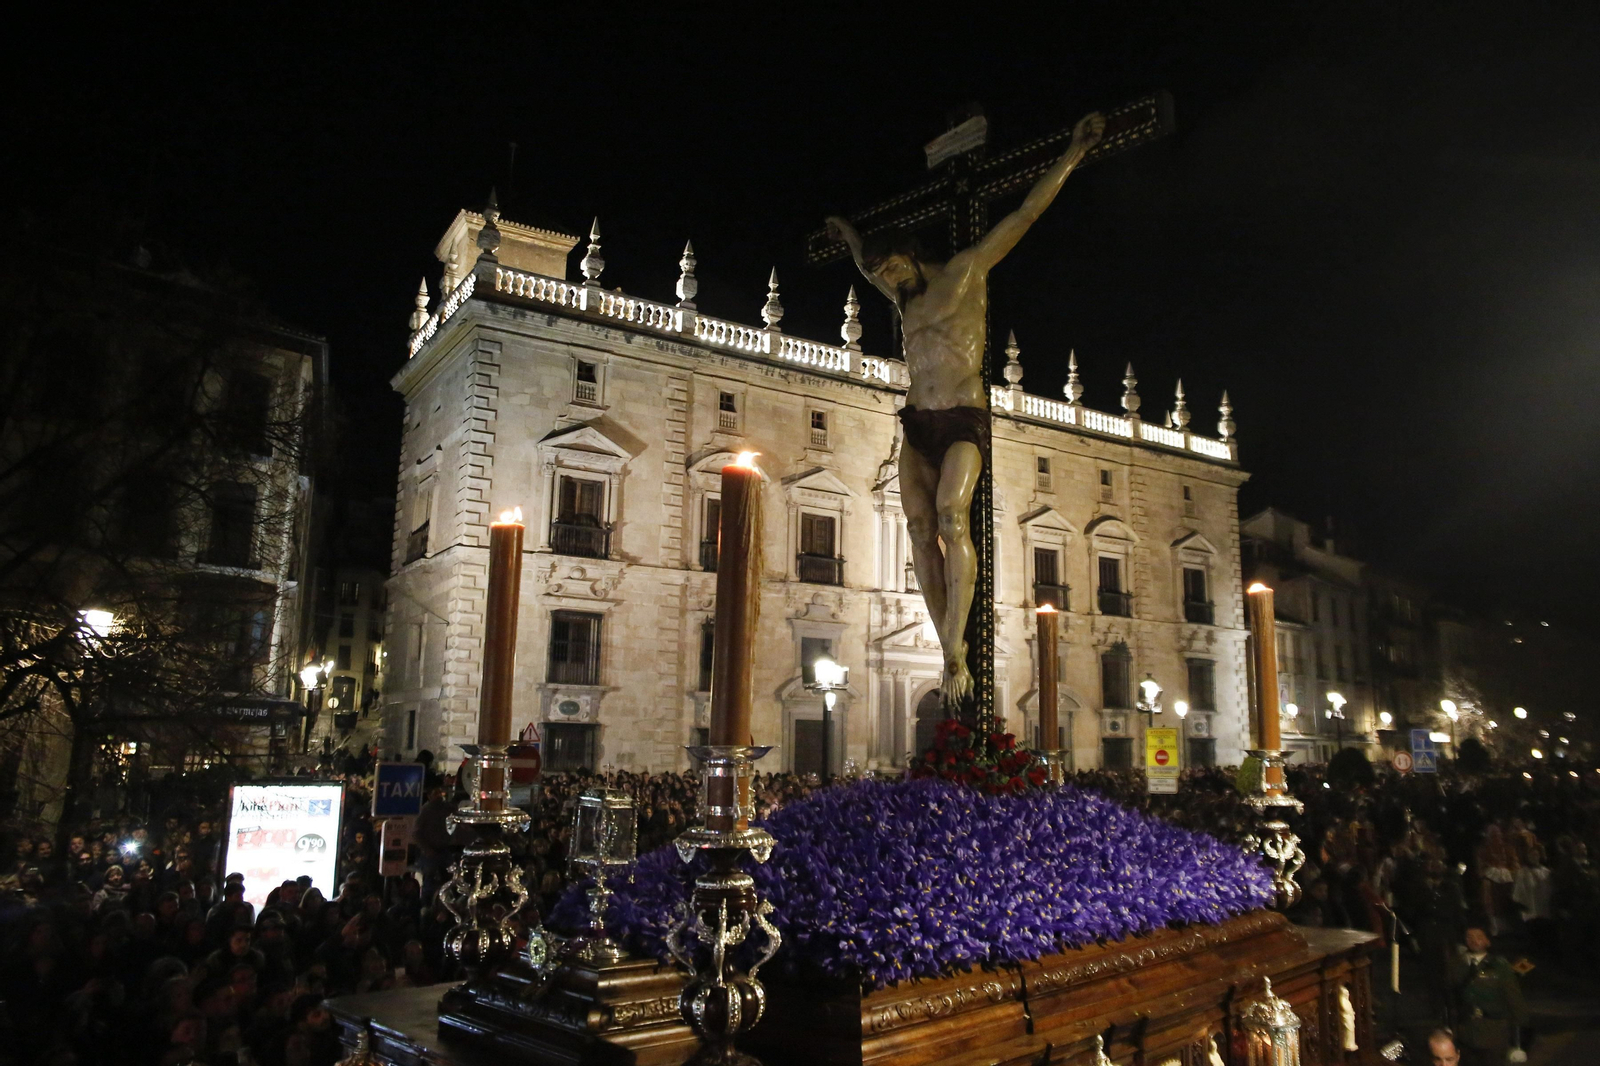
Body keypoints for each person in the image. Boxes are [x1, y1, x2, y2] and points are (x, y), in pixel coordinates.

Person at [825, 105, 1105, 705]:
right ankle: (950, 648)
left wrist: (1074, 153)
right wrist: (848, 236)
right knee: (920, 528)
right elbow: (859, 262)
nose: (885, 279)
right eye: (880, 272)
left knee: (954, 516)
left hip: (961, 418)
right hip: (917, 421)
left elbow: (1026, 212)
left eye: (890, 266)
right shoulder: (902, 299)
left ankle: (957, 645)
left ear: (908, 253)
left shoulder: (967, 270)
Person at [1448, 926, 1528, 1063]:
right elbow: (1450, 996)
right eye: (1469, 937)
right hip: (1466, 1030)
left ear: (1488, 941)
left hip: (1494, 1031)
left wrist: (1518, 1034)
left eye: (1479, 937)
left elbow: (1514, 998)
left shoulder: (1500, 966)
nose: (1474, 941)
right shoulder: (1457, 964)